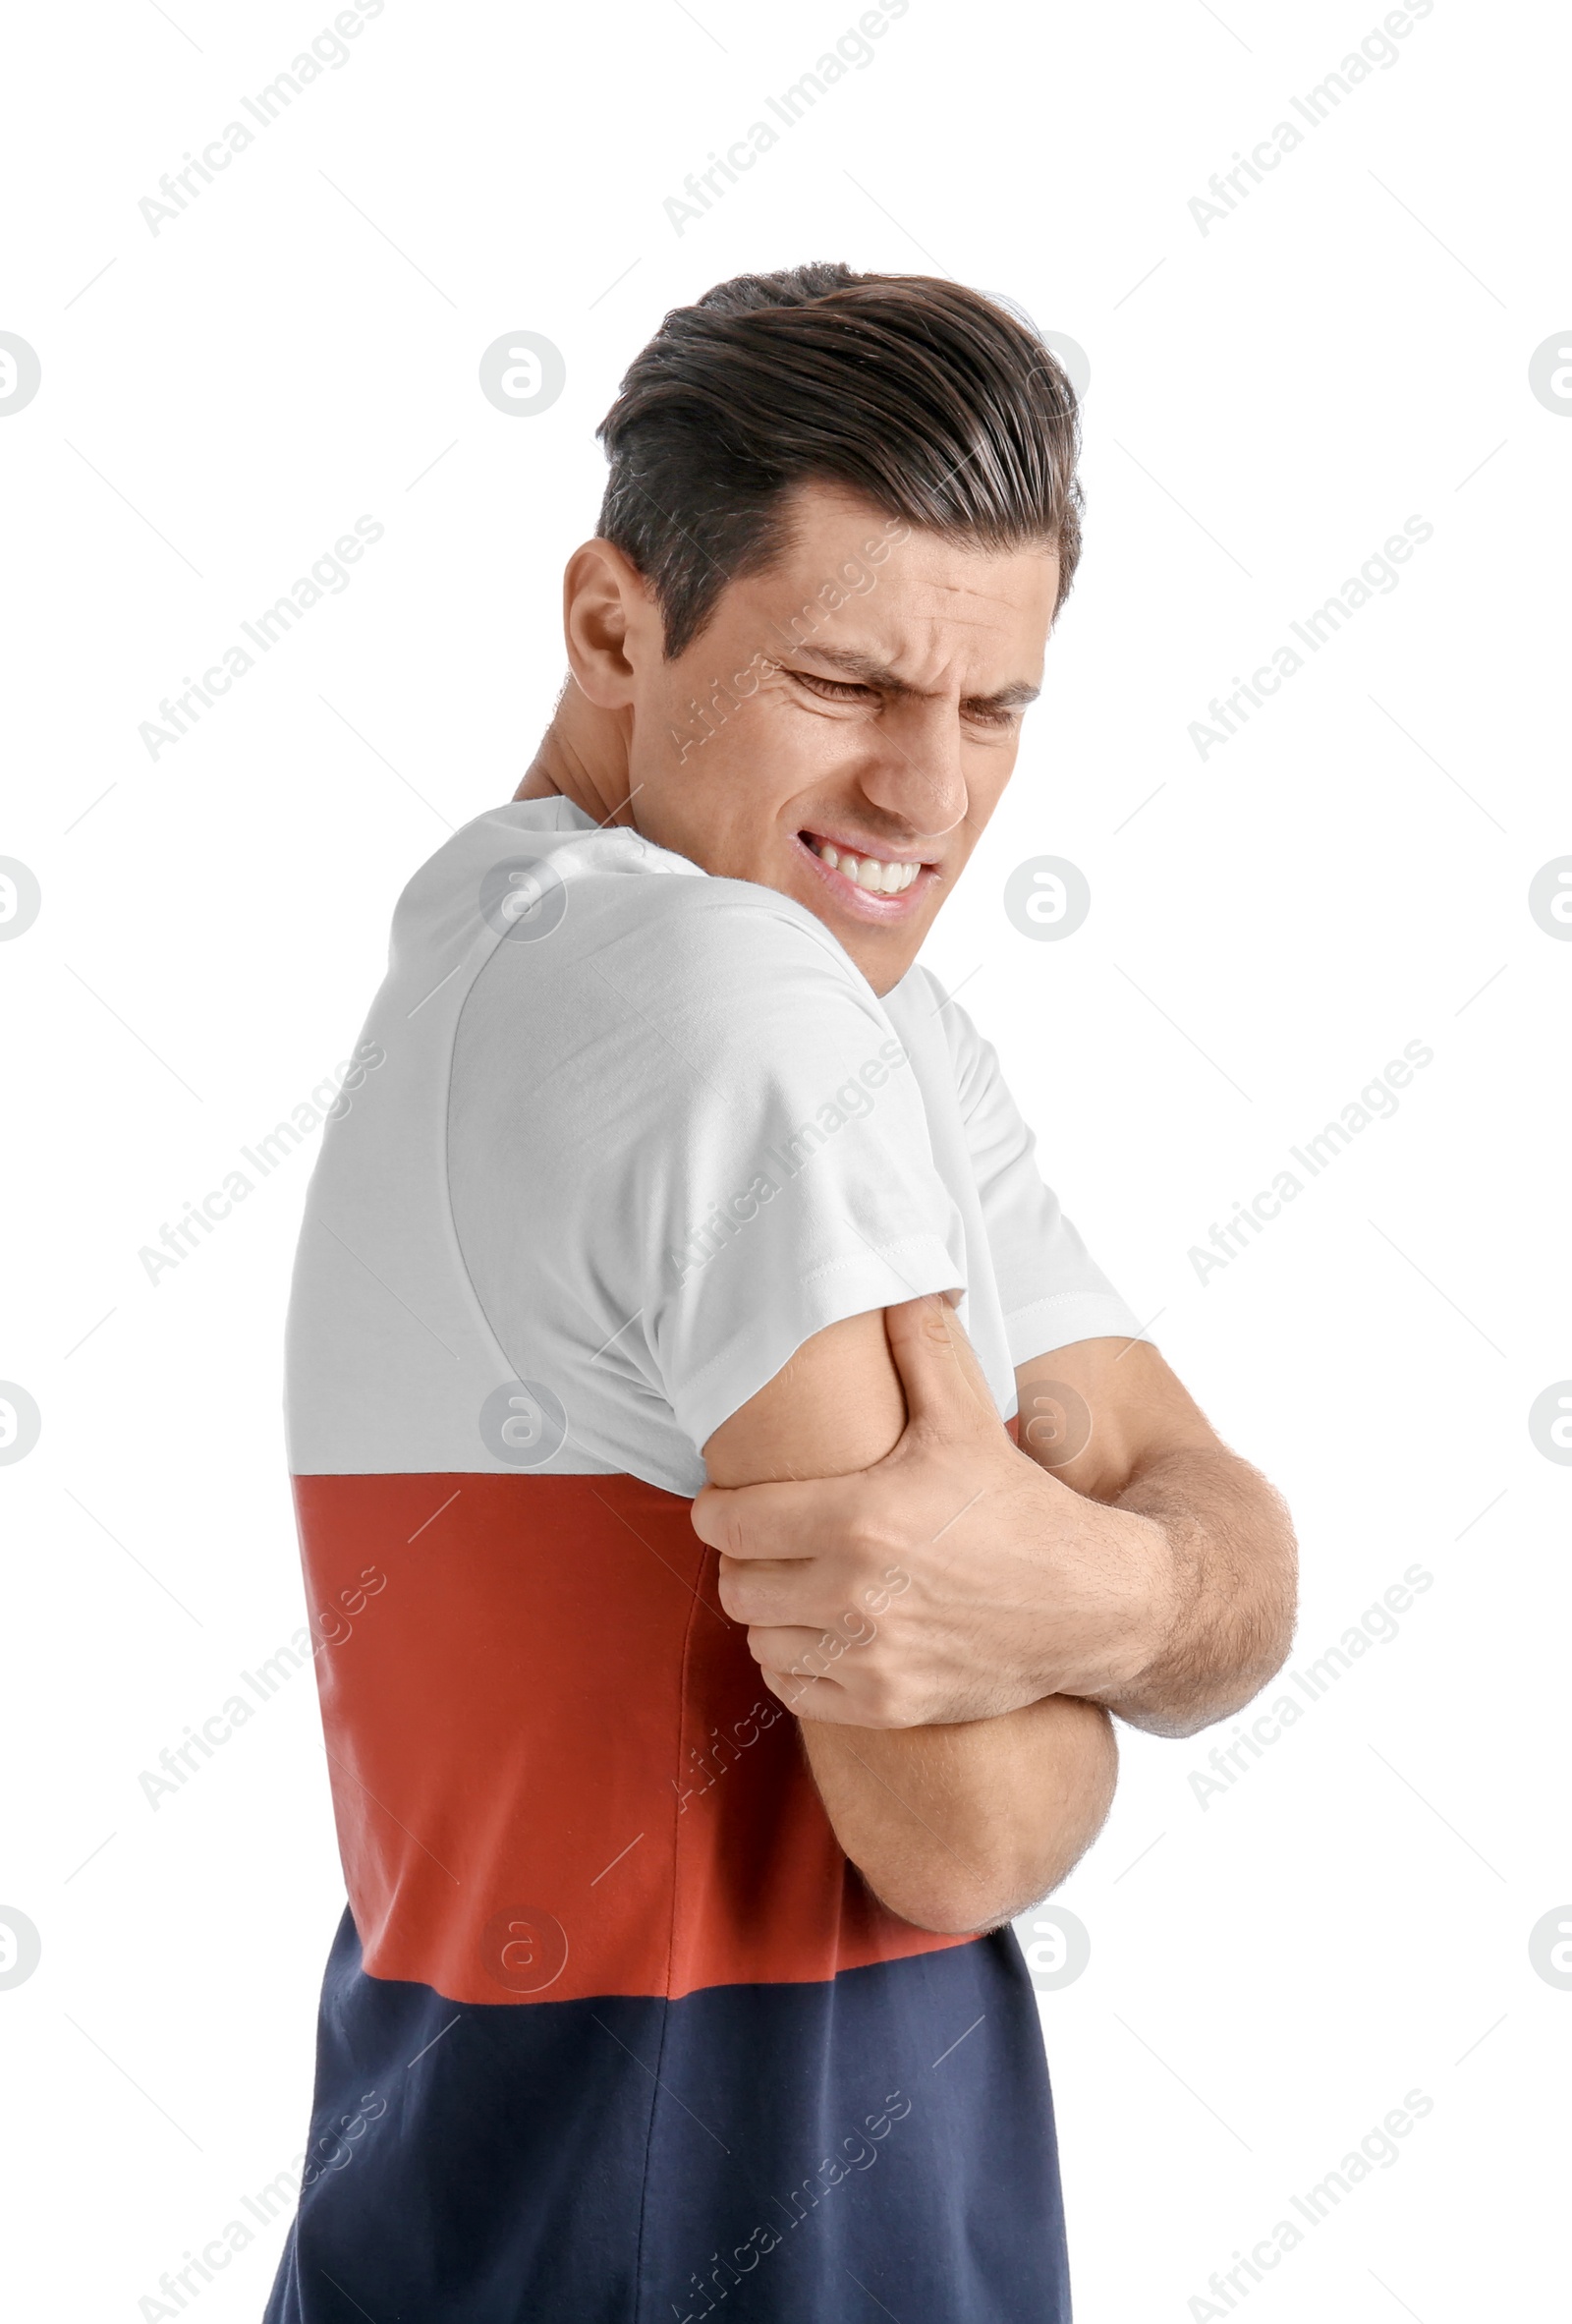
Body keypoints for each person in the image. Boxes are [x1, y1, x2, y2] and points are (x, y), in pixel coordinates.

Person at [264, 263, 1297, 2324]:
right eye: (847, 682)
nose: (928, 797)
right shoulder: (717, 994)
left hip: (473, 2212)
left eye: (992, 707)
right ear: (609, 621)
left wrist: (1080, 1600)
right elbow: (961, 1822)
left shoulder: (766, 1000)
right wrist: (1125, 1636)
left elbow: (1214, 1513)